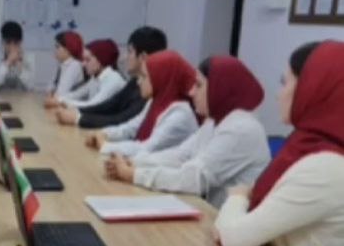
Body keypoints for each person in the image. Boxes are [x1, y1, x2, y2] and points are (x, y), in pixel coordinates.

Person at [214, 41, 344, 246]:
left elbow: (232, 239)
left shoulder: (326, 166)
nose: (278, 94)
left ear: (311, 89)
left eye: (285, 82)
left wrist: (238, 196)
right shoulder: (309, 147)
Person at [105, 56, 270, 208]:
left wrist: (135, 174)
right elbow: (181, 155)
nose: (191, 92)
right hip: (210, 213)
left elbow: (194, 179)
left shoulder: (240, 129)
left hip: (225, 222)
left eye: (199, 85)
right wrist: (134, 163)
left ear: (220, 89)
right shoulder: (216, 121)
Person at [85, 50, 198, 158]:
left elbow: (146, 148)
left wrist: (105, 145)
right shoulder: (155, 101)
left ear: (160, 78)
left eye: (144, 76)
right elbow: (131, 128)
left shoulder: (179, 115)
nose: (139, 82)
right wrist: (103, 134)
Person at [56, 26, 167, 128]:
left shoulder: (149, 88)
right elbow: (110, 105)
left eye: (129, 52)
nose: (125, 57)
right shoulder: (135, 81)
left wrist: (78, 118)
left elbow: (121, 119)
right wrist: (77, 112)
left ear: (143, 57)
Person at [57, 38, 123, 109]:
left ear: (101, 60)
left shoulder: (114, 80)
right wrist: (58, 99)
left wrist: (60, 101)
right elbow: (77, 94)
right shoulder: (95, 78)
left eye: (87, 60)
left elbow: (92, 106)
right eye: (83, 60)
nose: (83, 64)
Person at [0, 21, 35, 91]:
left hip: (21, 97)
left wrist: (18, 65)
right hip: (0, 97)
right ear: (2, 42)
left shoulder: (29, 57)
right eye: (8, 42)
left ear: (21, 42)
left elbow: (31, 86)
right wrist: (7, 63)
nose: (12, 47)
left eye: (16, 43)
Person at [43, 31, 84, 108]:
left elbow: (60, 94)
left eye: (57, 47)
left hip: (70, 109)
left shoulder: (75, 65)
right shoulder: (62, 65)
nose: (54, 50)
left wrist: (51, 95)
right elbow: (49, 88)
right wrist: (50, 94)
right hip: (60, 107)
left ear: (68, 49)